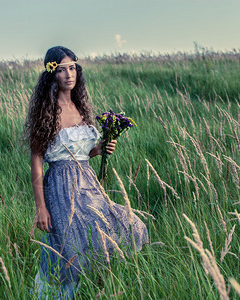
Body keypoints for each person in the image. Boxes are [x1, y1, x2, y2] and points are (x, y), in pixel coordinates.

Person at [24, 46, 148, 299]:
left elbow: (81, 152)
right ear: (51, 75)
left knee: (125, 226)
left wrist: (100, 148)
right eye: (61, 70)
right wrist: (41, 207)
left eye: (72, 68)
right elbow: (37, 159)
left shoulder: (80, 107)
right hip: (60, 186)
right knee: (69, 247)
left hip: (87, 183)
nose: (69, 75)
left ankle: (97, 289)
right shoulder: (45, 112)